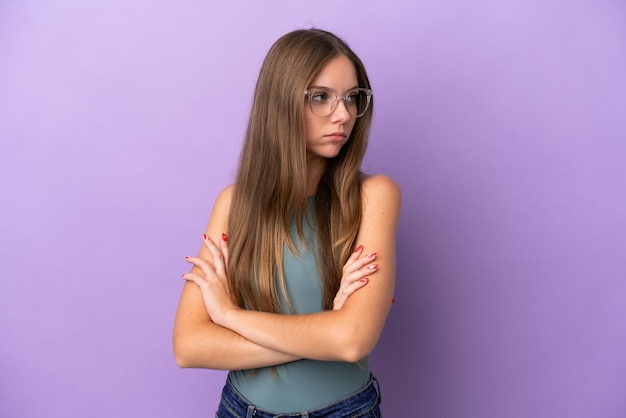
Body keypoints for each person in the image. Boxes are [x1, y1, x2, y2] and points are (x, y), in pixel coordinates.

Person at [173, 28, 401, 417]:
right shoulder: (233, 204)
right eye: (320, 97)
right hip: (240, 409)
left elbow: (352, 341)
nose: (343, 114)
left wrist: (230, 317)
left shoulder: (374, 197)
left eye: (352, 97)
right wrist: (325, 330)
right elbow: (189, 346)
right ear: (280, 103)